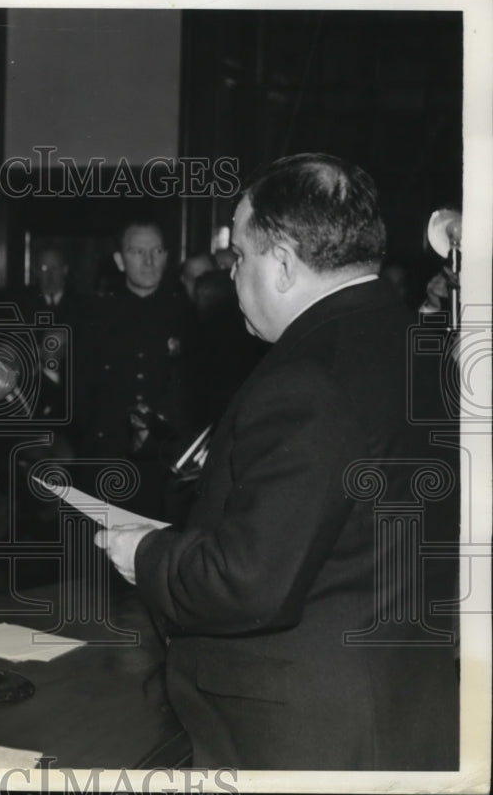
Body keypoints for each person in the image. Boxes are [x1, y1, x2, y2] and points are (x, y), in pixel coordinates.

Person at [94, 154, 459, 769]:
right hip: (399, 708)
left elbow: (249, 583)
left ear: (284, 264)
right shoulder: (419, 347)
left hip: (302, 735)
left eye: (240, 257)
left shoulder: (306, 377)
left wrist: (145, 554)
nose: (233, 274)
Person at [74, 220, 198, 520]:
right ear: (120, 260)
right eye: (137, 252)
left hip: (169, 466)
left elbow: (196, 392)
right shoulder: (93, 318)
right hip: (108, 462)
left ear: (167, 257)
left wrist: (159, 428)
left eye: (156, 251)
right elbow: (80, 395)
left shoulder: (190, 316)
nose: (148, 261)